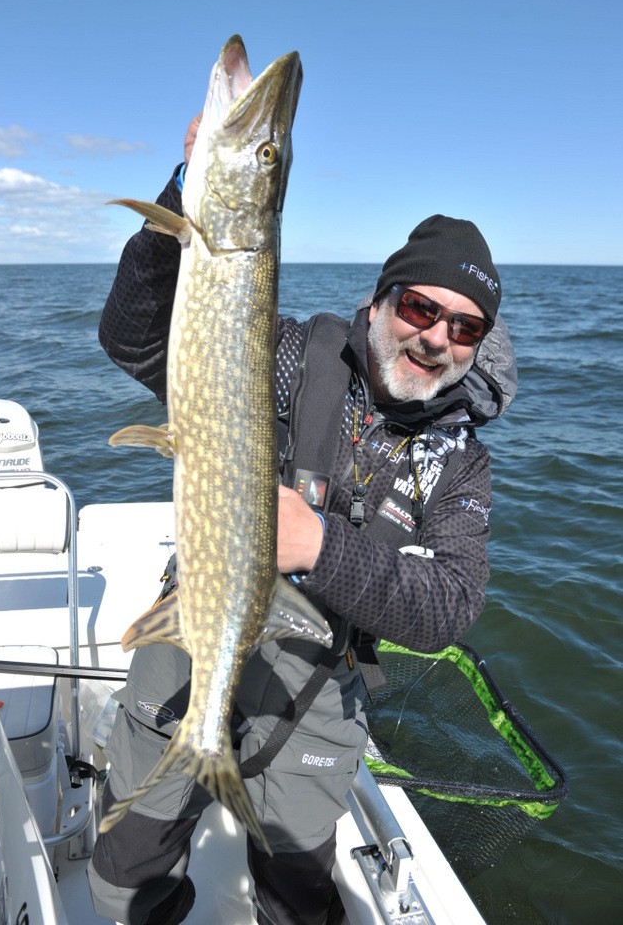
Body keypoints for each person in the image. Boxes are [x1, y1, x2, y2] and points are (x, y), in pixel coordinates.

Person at [87, 123, 517, 925]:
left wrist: (320, 547)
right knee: (124, 877)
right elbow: (134, 338)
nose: (436, 337)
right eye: (421, 307)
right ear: (381, 301)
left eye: (465, 327)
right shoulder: (285, 357)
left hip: (316, 681)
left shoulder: (460, 462)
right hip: (191, 634)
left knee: (299, 899)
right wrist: (191, 189)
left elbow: (449, 603)